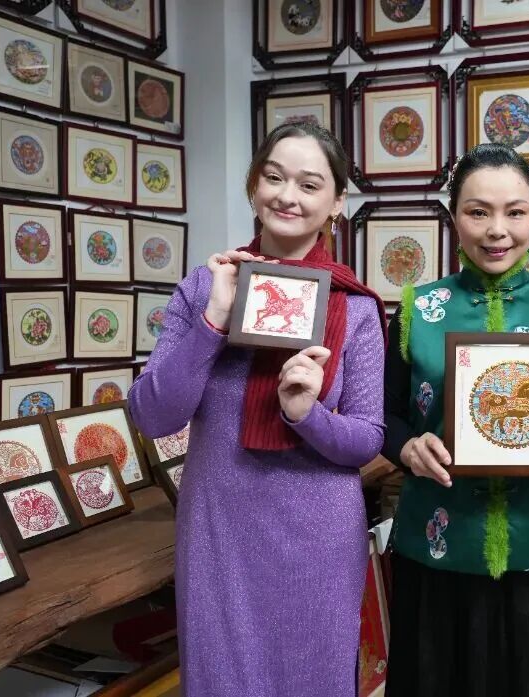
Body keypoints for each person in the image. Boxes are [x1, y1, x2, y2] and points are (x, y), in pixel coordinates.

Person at [128, 122, 386, 697]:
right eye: (274, 177)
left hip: (318, 535)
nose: (288, 196)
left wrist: (306, 413)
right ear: (254, 186)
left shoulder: (356, 307)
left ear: (336, 202)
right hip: (220, 528)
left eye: (309, 184)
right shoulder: (205, 287)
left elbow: (366, 440)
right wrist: (213, 322)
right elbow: (153, 416)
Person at [381, 143, 529, 697]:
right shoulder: (418, 308)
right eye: (478, 211)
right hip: (441, 543)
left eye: (515, 212)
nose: (496, 230)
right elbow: (386, 418)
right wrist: (407, 448)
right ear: (454, 215)